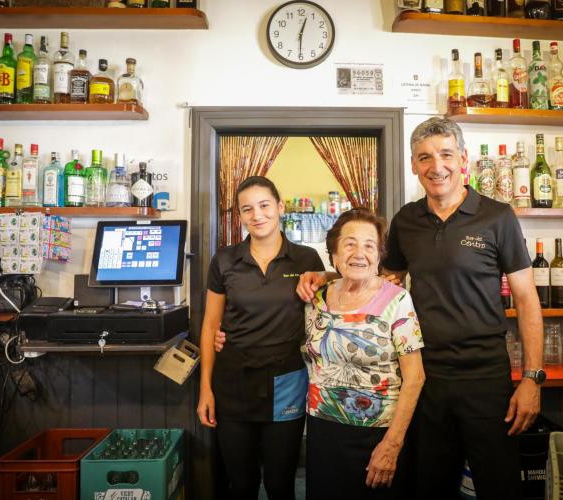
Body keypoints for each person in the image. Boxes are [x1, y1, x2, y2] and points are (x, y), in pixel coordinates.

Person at [298, 117, 544, 500]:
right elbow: (379, 279)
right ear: (414, 165)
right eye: (425, 157)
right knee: (429, 486)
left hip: (484, 377)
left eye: (446, 154)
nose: (436, 166)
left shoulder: (497, 217)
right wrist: (328, 276)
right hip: (426, 379)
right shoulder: (406, 221)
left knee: (499, 486)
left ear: (463, 160)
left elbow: (527, 299)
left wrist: (532, 377)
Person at [196, 176, 325, 500]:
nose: (257, 215)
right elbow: (211, 326)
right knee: (242, 484)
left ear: (280, 207)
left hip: (287, 382)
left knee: (281, 484)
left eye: (264, 205)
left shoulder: (307, 259)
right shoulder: (225, 261)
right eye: (247, 209)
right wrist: (205, 389)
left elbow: (341, 286)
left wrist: (326, 275)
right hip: (233, 383)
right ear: (240, 215)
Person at [303, 208, 425, 499]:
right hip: (322, 431)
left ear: (379, 255)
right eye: (350, 244)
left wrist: (392, 444)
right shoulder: (316, 298)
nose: (360, 253)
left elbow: (415, 377)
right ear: (333, 253)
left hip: (378, 434)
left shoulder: (397, 300)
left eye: (369, 245)